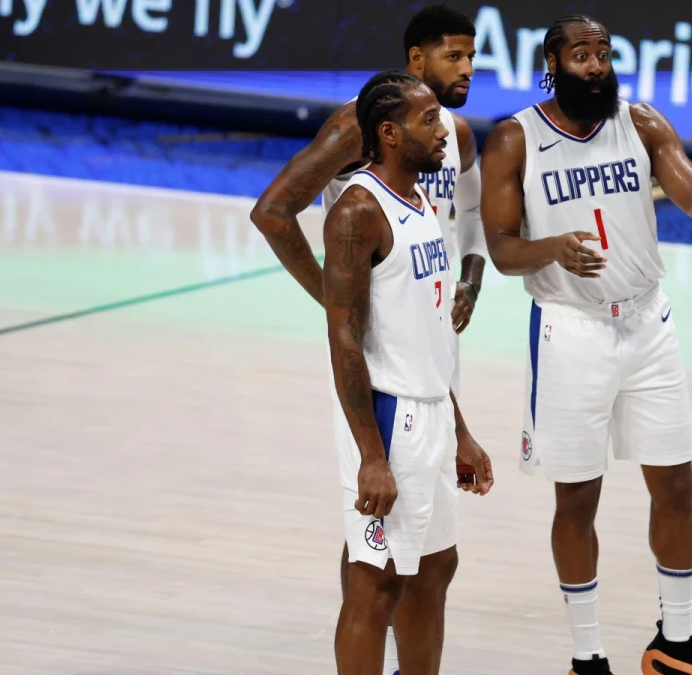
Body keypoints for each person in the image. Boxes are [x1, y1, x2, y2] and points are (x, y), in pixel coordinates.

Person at [479, 14, 692, 675]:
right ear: (553, 62)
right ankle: (587, 655)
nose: (596, 65)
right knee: (577, 498)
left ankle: (673, 642)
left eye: (603, 53)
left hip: (649, 325)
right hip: (572, 331)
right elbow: (501, 249)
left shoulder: (643, 123)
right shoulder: (514, 139)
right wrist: (554, 251)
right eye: (581, 55)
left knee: (678, 484)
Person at [249, 6, 487, 673]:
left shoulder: (453, 138)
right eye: (452, 56)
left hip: (431, 361)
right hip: (383, 373)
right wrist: (333, 297)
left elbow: (468, 213)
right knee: (374, 570)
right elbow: (272, 211)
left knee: (433, 564)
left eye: (472, 57)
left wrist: (470, 270)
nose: (465, 69)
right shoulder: (357, 156)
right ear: (416, 61)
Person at [324, 69, 493, 675]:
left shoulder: (422, 203)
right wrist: (371, 454)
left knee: (436, 567)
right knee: (376, 584)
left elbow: (431, 334)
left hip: (433, 411)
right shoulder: (357, 212)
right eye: (428, 122)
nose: (441, 130)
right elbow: (342, 340)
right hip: (388, 417)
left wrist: (461, 428)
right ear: (390, 133)